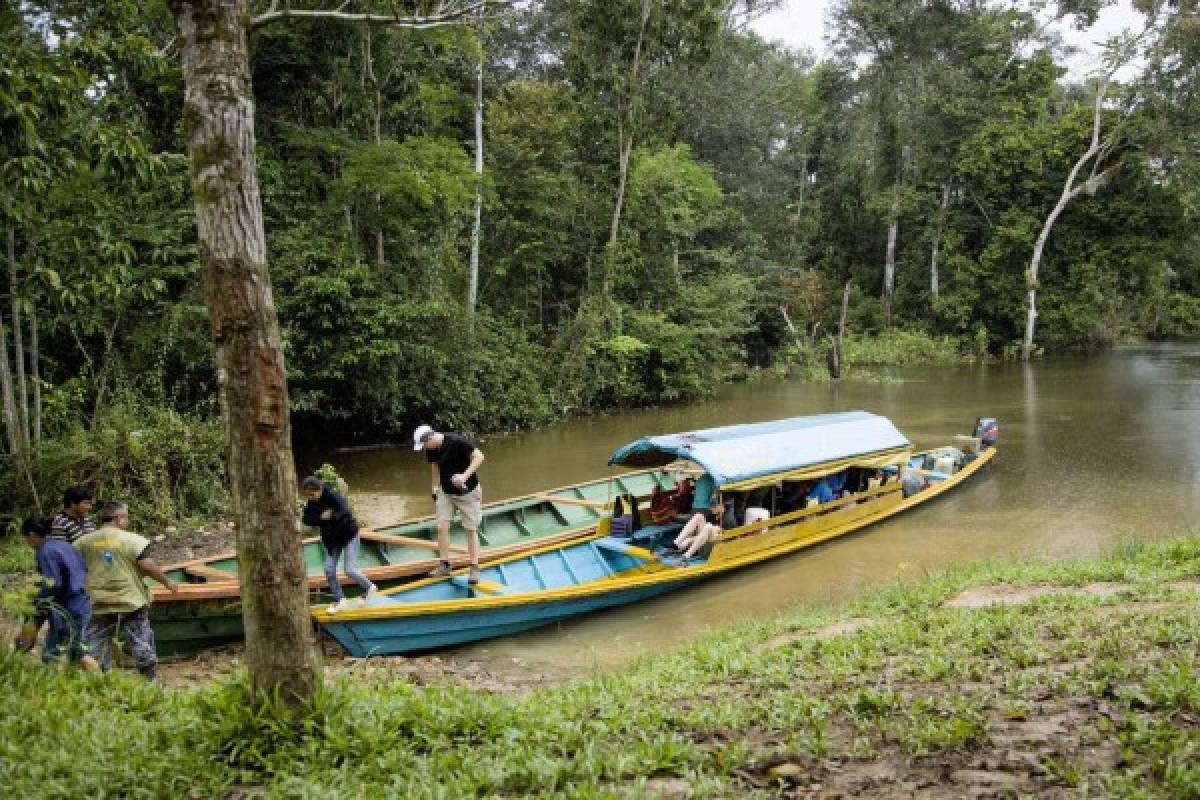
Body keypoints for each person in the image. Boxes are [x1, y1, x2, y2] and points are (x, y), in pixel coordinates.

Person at [74, 502, 179, 680]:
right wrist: (167, 581)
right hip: (130, 600)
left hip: (98, 600)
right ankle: (150, 678)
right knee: (139, 637)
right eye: (126, 517)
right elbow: (147, 565)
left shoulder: (83, 542)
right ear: (119, 518)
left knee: (97, 639)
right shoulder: (133, 540)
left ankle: (100, 678)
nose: (127, 521)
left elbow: (73, 566)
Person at [14, 517, 100, 671]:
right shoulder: (65, 545)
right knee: (65, 652)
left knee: (76, 653)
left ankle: (103, 685)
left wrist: (35, 606)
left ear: (32, 535)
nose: (28, 543)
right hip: (81, 602)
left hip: (68, 608)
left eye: (26, 539)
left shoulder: (45, 551)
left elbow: (53, 584)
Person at [413, 425, 485, 584]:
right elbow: (435, 466)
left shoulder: (457, 441)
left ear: (429, 438)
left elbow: (479, 456)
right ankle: (444, 564)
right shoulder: (431, 449)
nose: (424, 448)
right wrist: (434, 486)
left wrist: (464, 476)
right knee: (441, 527)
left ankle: (474, 567)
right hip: (446, 492)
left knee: (470, 530)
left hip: (468, 492)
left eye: (424, 445)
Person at [301, 476, 378, 612]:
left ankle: (370, 587)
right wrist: (320, 517)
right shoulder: (312, 503)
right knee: (329, 569)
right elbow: (306, 519)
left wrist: (333, 515)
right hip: (332, 540)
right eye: (308, 495)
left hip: (348, 535)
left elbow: (345, 510)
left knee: (349, 569)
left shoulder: (332, 496)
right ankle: (341, 600)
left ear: (319, 489)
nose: (311, 497)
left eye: (312, 494)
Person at [672, 495, 724, 563]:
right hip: (703, 541)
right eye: (713, 506)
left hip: (717, 542)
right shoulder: (712, 515)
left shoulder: (728, 518)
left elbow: (723, 534)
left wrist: (690, 540)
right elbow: (704, 535)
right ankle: (676, 544)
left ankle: (686, 556)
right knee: (698, 516)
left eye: (716, 506)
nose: (713, 508)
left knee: (708, 526)